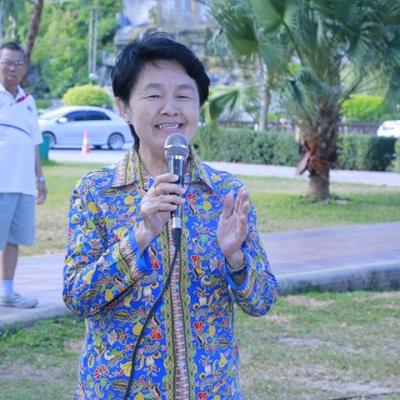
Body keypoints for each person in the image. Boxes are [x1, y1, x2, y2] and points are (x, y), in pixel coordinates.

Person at [63, 33, 279, 400]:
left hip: (211, 390)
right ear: (124, 108)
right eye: (153, 96)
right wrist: (139, 237)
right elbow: (77, 297)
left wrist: (235, 258)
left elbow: (262, 301)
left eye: (183, 96)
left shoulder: (225, 193)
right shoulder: (96, 192)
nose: (170, 109)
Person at [0, 42, 47, 309]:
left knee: (13, 240)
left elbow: (34, 143)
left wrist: (40, 179)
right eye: (7, 62)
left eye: (18, 64)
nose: (12, 68)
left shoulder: (28, 101)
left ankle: (7, 292)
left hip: (23, 185)